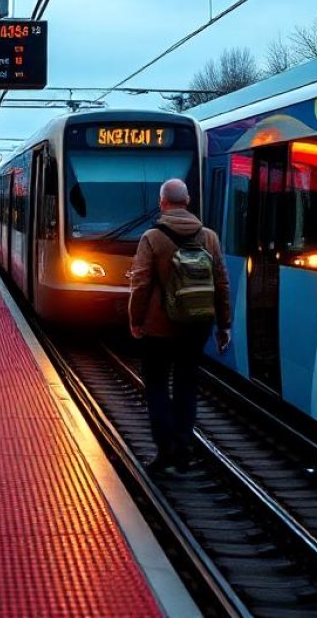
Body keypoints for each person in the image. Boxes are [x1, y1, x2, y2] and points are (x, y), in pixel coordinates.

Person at [128, 178, 231, 475]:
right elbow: (221, 283)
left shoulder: (152, 237)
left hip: (159, 329)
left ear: (162, 203)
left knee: (157, 386)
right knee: (187, 384)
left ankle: (166, 449)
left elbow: (141, 283)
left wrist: (136, 320)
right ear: (187, 202)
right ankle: (184, 445)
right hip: (197, 325)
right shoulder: (209, 237)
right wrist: (224, 325)